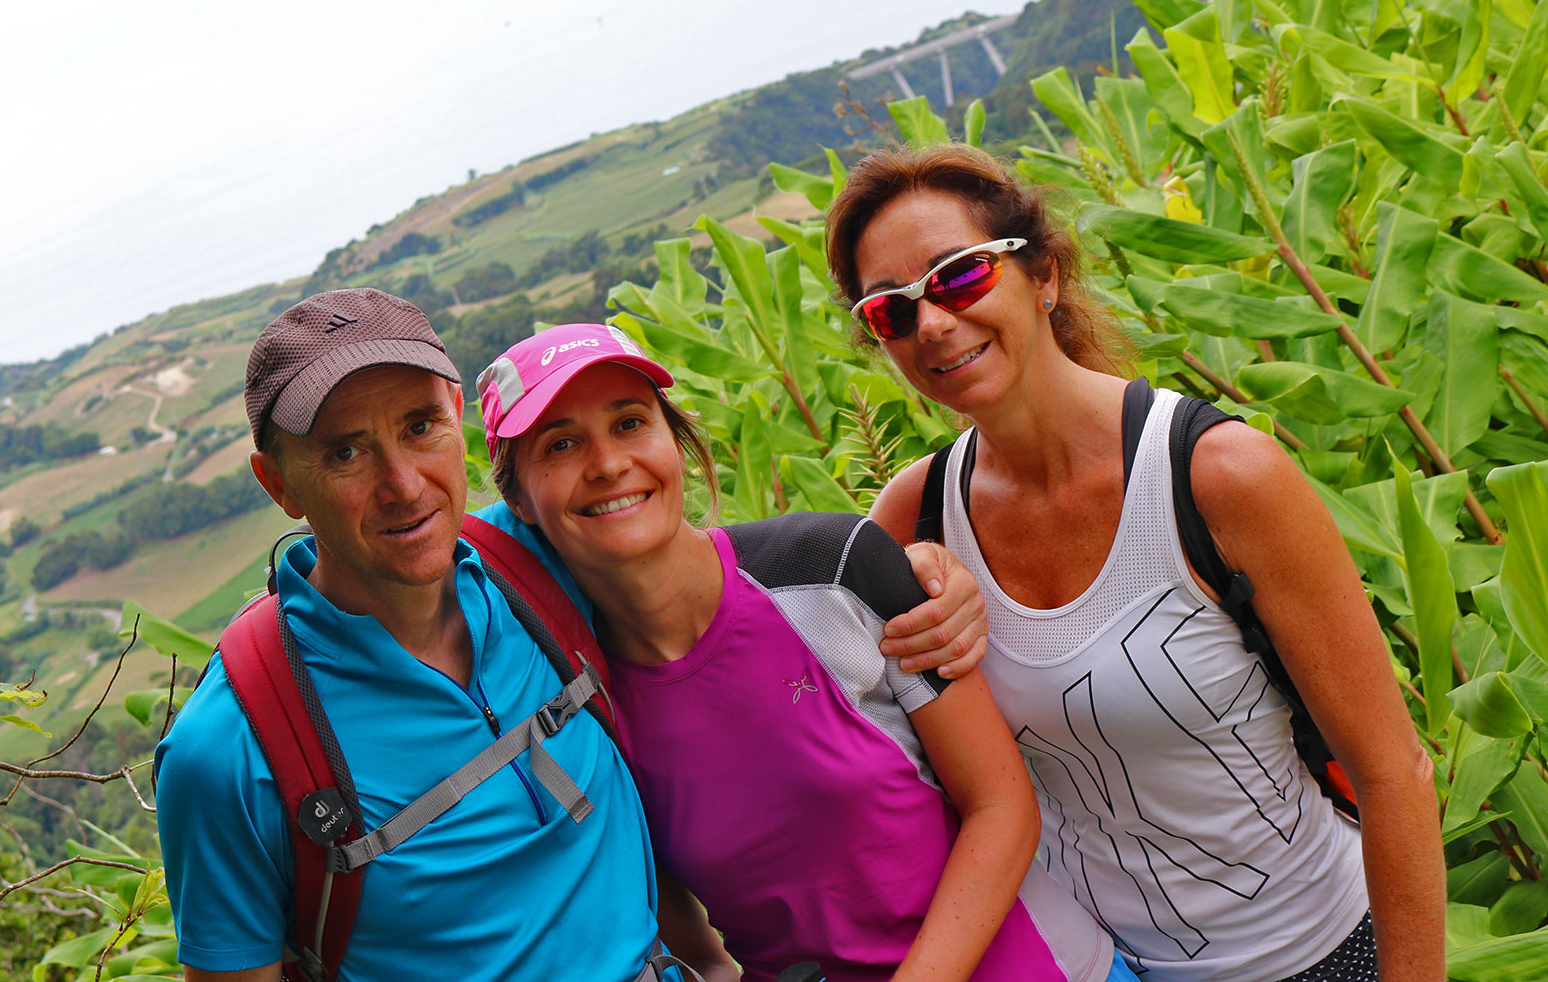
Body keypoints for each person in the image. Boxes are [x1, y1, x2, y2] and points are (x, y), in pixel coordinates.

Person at [153, 289, 988, 981]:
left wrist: (912, 563)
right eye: (345, 454)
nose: (404, 486)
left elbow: (688, 550)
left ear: (456, 422)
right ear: (278, 482)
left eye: (417, 428)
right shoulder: (235, 750)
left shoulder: (529, 561)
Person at [824, 143, 1444, 982]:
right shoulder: (912, 517)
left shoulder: (1217, 477)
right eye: (889, 312)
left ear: (1042, 274)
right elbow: (895, 773)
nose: (931, 322)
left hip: (1319, 953)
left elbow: (1392, 769)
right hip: (1098, 968)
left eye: (959, 276)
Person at [479, 322, 1134, 982]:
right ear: (518, 501)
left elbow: (1001, 805)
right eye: (560, 444)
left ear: (674, 444)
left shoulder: (832, 567)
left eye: (629, 423)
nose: (608, 464)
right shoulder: (585, 700)